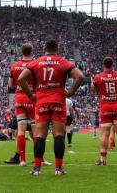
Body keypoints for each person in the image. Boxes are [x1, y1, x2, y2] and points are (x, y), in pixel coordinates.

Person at [18, 39, 84, 176]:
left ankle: (36, 169)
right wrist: (71, 92)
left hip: (41, 102)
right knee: (59, 135)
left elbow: (20, 79)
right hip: (58, 102)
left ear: (44, 49)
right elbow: (80, 76)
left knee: (40, 135)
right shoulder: (63, 62)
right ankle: (58, 169)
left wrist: (31, 96)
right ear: (57, 49)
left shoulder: (36, 62)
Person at [92, 57, 117, 166]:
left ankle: (102, 160)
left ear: (103, 65)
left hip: (105, 107)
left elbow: (93, 89)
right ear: (113, 65)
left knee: (104, 135)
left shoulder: (98, 77)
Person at [8, 43, 35, 165]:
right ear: (32, 51)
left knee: (21, 130)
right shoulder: (36, 64)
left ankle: (22, 160)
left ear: (21, 52)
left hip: (19, 98)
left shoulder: (15, 66)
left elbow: (10, 85)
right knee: (35, 130)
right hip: (32, 98)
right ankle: (40, 159)